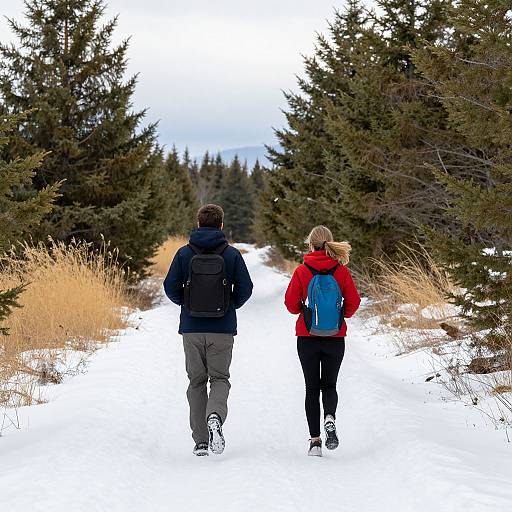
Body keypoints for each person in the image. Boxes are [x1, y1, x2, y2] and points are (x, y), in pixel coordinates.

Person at [164, 204, 253, 456]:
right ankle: (215, 416)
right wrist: (229, 305)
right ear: (221, 225)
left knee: (196, 382)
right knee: (220, 378)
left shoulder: (184, 253)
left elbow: (170, 287)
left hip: (191, 329)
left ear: (199, 224)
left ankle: (201, 441)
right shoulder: (232, 254)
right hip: (222, 329)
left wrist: (187, 303)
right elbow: (246, 288)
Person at [284, 225, 360, 457]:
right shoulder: (341, 271)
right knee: (329, 385)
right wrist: (339, 316)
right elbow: (354, 302)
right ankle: (330, 417)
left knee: (311, 388)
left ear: (310, 244)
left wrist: (306, 313)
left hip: (307, 336)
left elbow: (290, 304)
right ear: (330, 243)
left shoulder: (302, 270)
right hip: (335, 337)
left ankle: (315, 442)